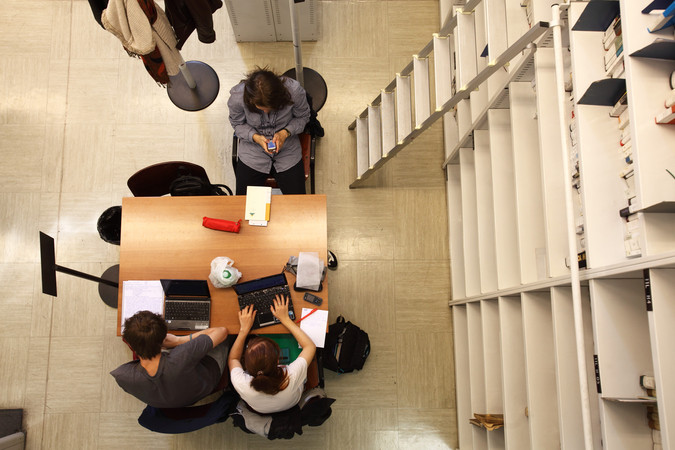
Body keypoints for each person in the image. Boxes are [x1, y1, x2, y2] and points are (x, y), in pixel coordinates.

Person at [111, 310, 229, 408]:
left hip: (175, 398)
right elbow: (221, 331)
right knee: (227, 337)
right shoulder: (182, 355)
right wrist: (178, 341)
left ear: (130, 346)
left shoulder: (122, 375)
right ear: (164, 339)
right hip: (207, 380)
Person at [227, 67, 311, 195]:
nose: (266, 112)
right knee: (245, 205)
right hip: (253, 153)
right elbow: (237, 123)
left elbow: (303, 117)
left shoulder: (294, 91)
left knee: (297, 205)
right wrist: (255, 137)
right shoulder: (237, 97)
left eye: (270, 108)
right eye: (261, 108)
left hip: (288, 151)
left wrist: (285, 133)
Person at [228, 294, 316, 414]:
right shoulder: (290, 377)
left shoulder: (241, 383)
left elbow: (233, 359)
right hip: (292, 401)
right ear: (279, 361)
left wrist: (243, 330)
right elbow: (310, 346)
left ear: (246, 366)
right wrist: (285, 319)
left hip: (262, 410)